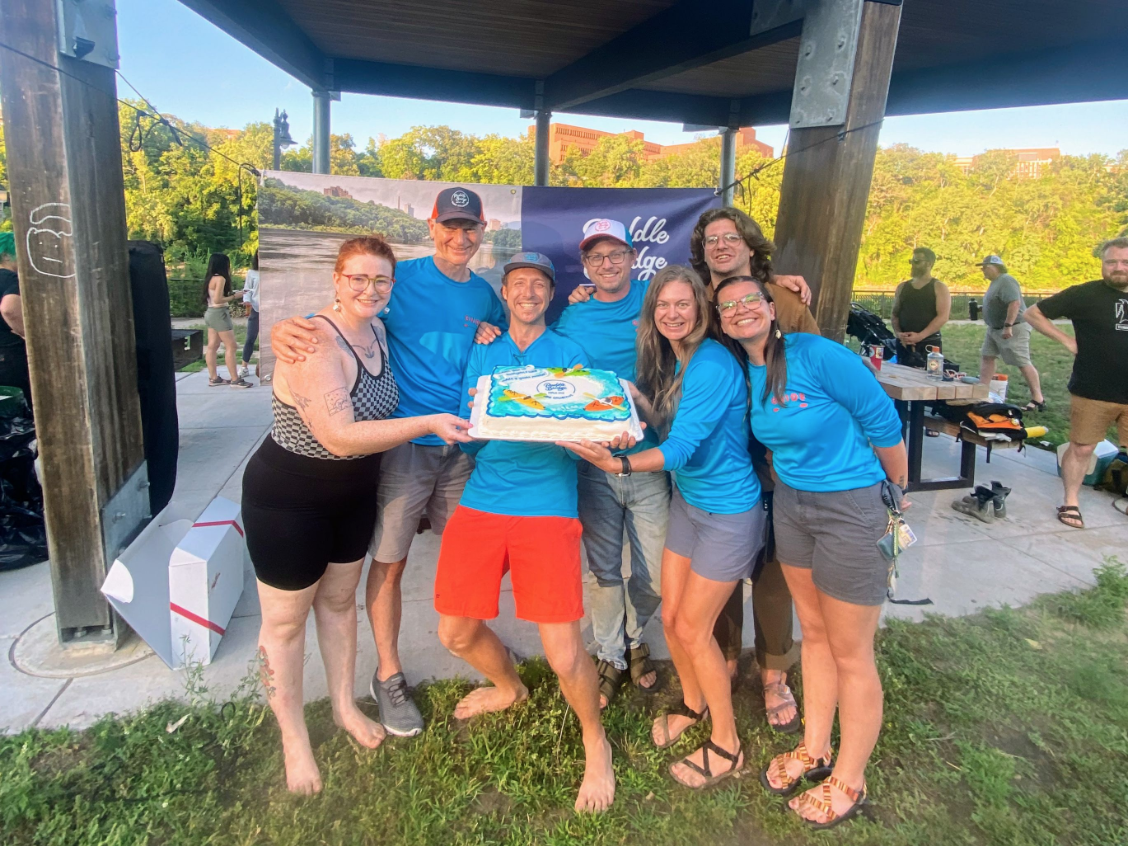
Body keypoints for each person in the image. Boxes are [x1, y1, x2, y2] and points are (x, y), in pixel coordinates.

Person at [270, 187, 505, 737]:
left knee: (466, 554)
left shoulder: (486, 293)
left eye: (470, 228)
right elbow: (344, 312)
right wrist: (287, 327)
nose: (460, 237)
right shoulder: (402, 280)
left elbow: (502, 340)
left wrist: (493, 336)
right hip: (405, 446)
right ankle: (389, 672)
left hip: (464, 447)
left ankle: (471, 639)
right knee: (391, 561)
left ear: (482, 231)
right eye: (450, 226)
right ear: (431, 226)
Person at [243, 235, 471, 794]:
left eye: (380, 281)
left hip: (351, 494)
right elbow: (340, 436)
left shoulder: (377, 332)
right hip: (289, 498)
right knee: (286, 623)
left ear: (391, 288)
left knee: (340, 605)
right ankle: (294, 737)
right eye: (357, 279)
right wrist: (428, 422)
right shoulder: (313, 342)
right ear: (337, 281)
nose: (369, 289)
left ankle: (345, 705)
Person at [715, 275, 907, 829]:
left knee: (852, 651)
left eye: (752, 300)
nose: (741, 310)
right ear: (722, 321)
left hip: (851, 506)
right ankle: (815, 747)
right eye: (729, 306)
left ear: (773, 309)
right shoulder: (742, 369)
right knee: (816, 633)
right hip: (795, 506)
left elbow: (882, 421)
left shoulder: (819, 354)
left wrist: (895, 493)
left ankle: (849, 778)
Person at [565, 265, 764, 791]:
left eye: (684, 304)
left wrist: (620, 466)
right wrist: (639, 401)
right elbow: (670, 426)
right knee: (673, 619)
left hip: (728, 513)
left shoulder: (713, 361)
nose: (673, 313)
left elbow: (679, 449)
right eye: (663, 305)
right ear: (652, 311)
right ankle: (695, 705)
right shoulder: (678, 360)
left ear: (700, 309)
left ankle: (727, 743)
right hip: (691, 506)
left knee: (693, 629)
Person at [435, 252, 617, 813]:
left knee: (564, 656)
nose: (529, 293)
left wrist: (583, 431)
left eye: (539, 285)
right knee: (455, 633)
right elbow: (471, 433)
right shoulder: (485, 347)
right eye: (518, 285)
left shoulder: (569, 353)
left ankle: (596, 741)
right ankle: (510, 687)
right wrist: (476, 424)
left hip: (547, 507)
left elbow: (593, 421)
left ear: (550, 295)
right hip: (485, 498)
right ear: (506, 294)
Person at [688, 206, 814, 733]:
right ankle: (725, 653)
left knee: (772, 570)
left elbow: (813, 364)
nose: (720, 245)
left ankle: (775, 671)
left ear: (750, 245)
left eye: (731, 237)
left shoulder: (783, 299)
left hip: (775, 459)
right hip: (718, 460)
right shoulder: (695, 303)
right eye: (711, 239)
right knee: (718, 568)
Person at [542, 219, 666, 709]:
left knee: (654, 570)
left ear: (633, 257)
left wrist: (779, 283)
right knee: (603, 568)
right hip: (594, 463)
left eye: (615, 254)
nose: (607, 264)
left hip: (648, 459)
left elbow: (719, 303)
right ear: (586, 265)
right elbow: (543, 356)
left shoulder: (657, 305)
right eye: (596, 257)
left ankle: (636, 635)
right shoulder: (573, 317)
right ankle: (614, 653)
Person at [1024, 237, 1128, 529]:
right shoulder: (1085, 295)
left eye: (1125, 262)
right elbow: (1033, 313)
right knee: (1082, 448)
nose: (1118, 267)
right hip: (1094, 389)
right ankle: (1071, 501)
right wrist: (1067, 340)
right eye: (1112, 262)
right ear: (1103, 264)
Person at [977, 255, 1044, 411]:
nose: (983, 271)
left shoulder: (1006, 280)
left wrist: (1008, 326)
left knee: (1021, 361)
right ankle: (981, 392)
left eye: (986, 267)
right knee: (987, 356)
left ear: (996, 267)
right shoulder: (995, 283)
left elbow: (1014, 303)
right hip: (994, 328)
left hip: (1014, 327)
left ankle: (1038, 398)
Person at [891, 247, 951, 368]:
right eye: (911, 261)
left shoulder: (939, 287)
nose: (913, 264)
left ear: (929, 264)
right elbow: (894, 314)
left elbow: (943, 316)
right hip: (904, 344)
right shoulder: (903, 287)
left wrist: (920, 336)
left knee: (929, 380)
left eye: (917, 261)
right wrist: (898, 333)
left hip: (929, 345)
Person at [202, 253, 252, 388]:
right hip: (219, 314)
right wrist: (236, 296)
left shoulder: (211, 278)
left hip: (210, 312)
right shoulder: (221, 279)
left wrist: (233, 293)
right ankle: (235, 379)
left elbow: (214, 297)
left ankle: (213, 378)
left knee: (212, 346)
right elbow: (219, 300)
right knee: (232, 346)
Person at [0, 232, 31, 406]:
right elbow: (9, 308)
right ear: (6, 255)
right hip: (10, 358)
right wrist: (28, 334)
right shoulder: (9, 278)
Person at [240, 251, 260, 379]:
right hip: (256, 308)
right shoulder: (252, 273)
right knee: (250, 338)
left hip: (271, 308)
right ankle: (244, 367)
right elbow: (247, 289)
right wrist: (247, 300)